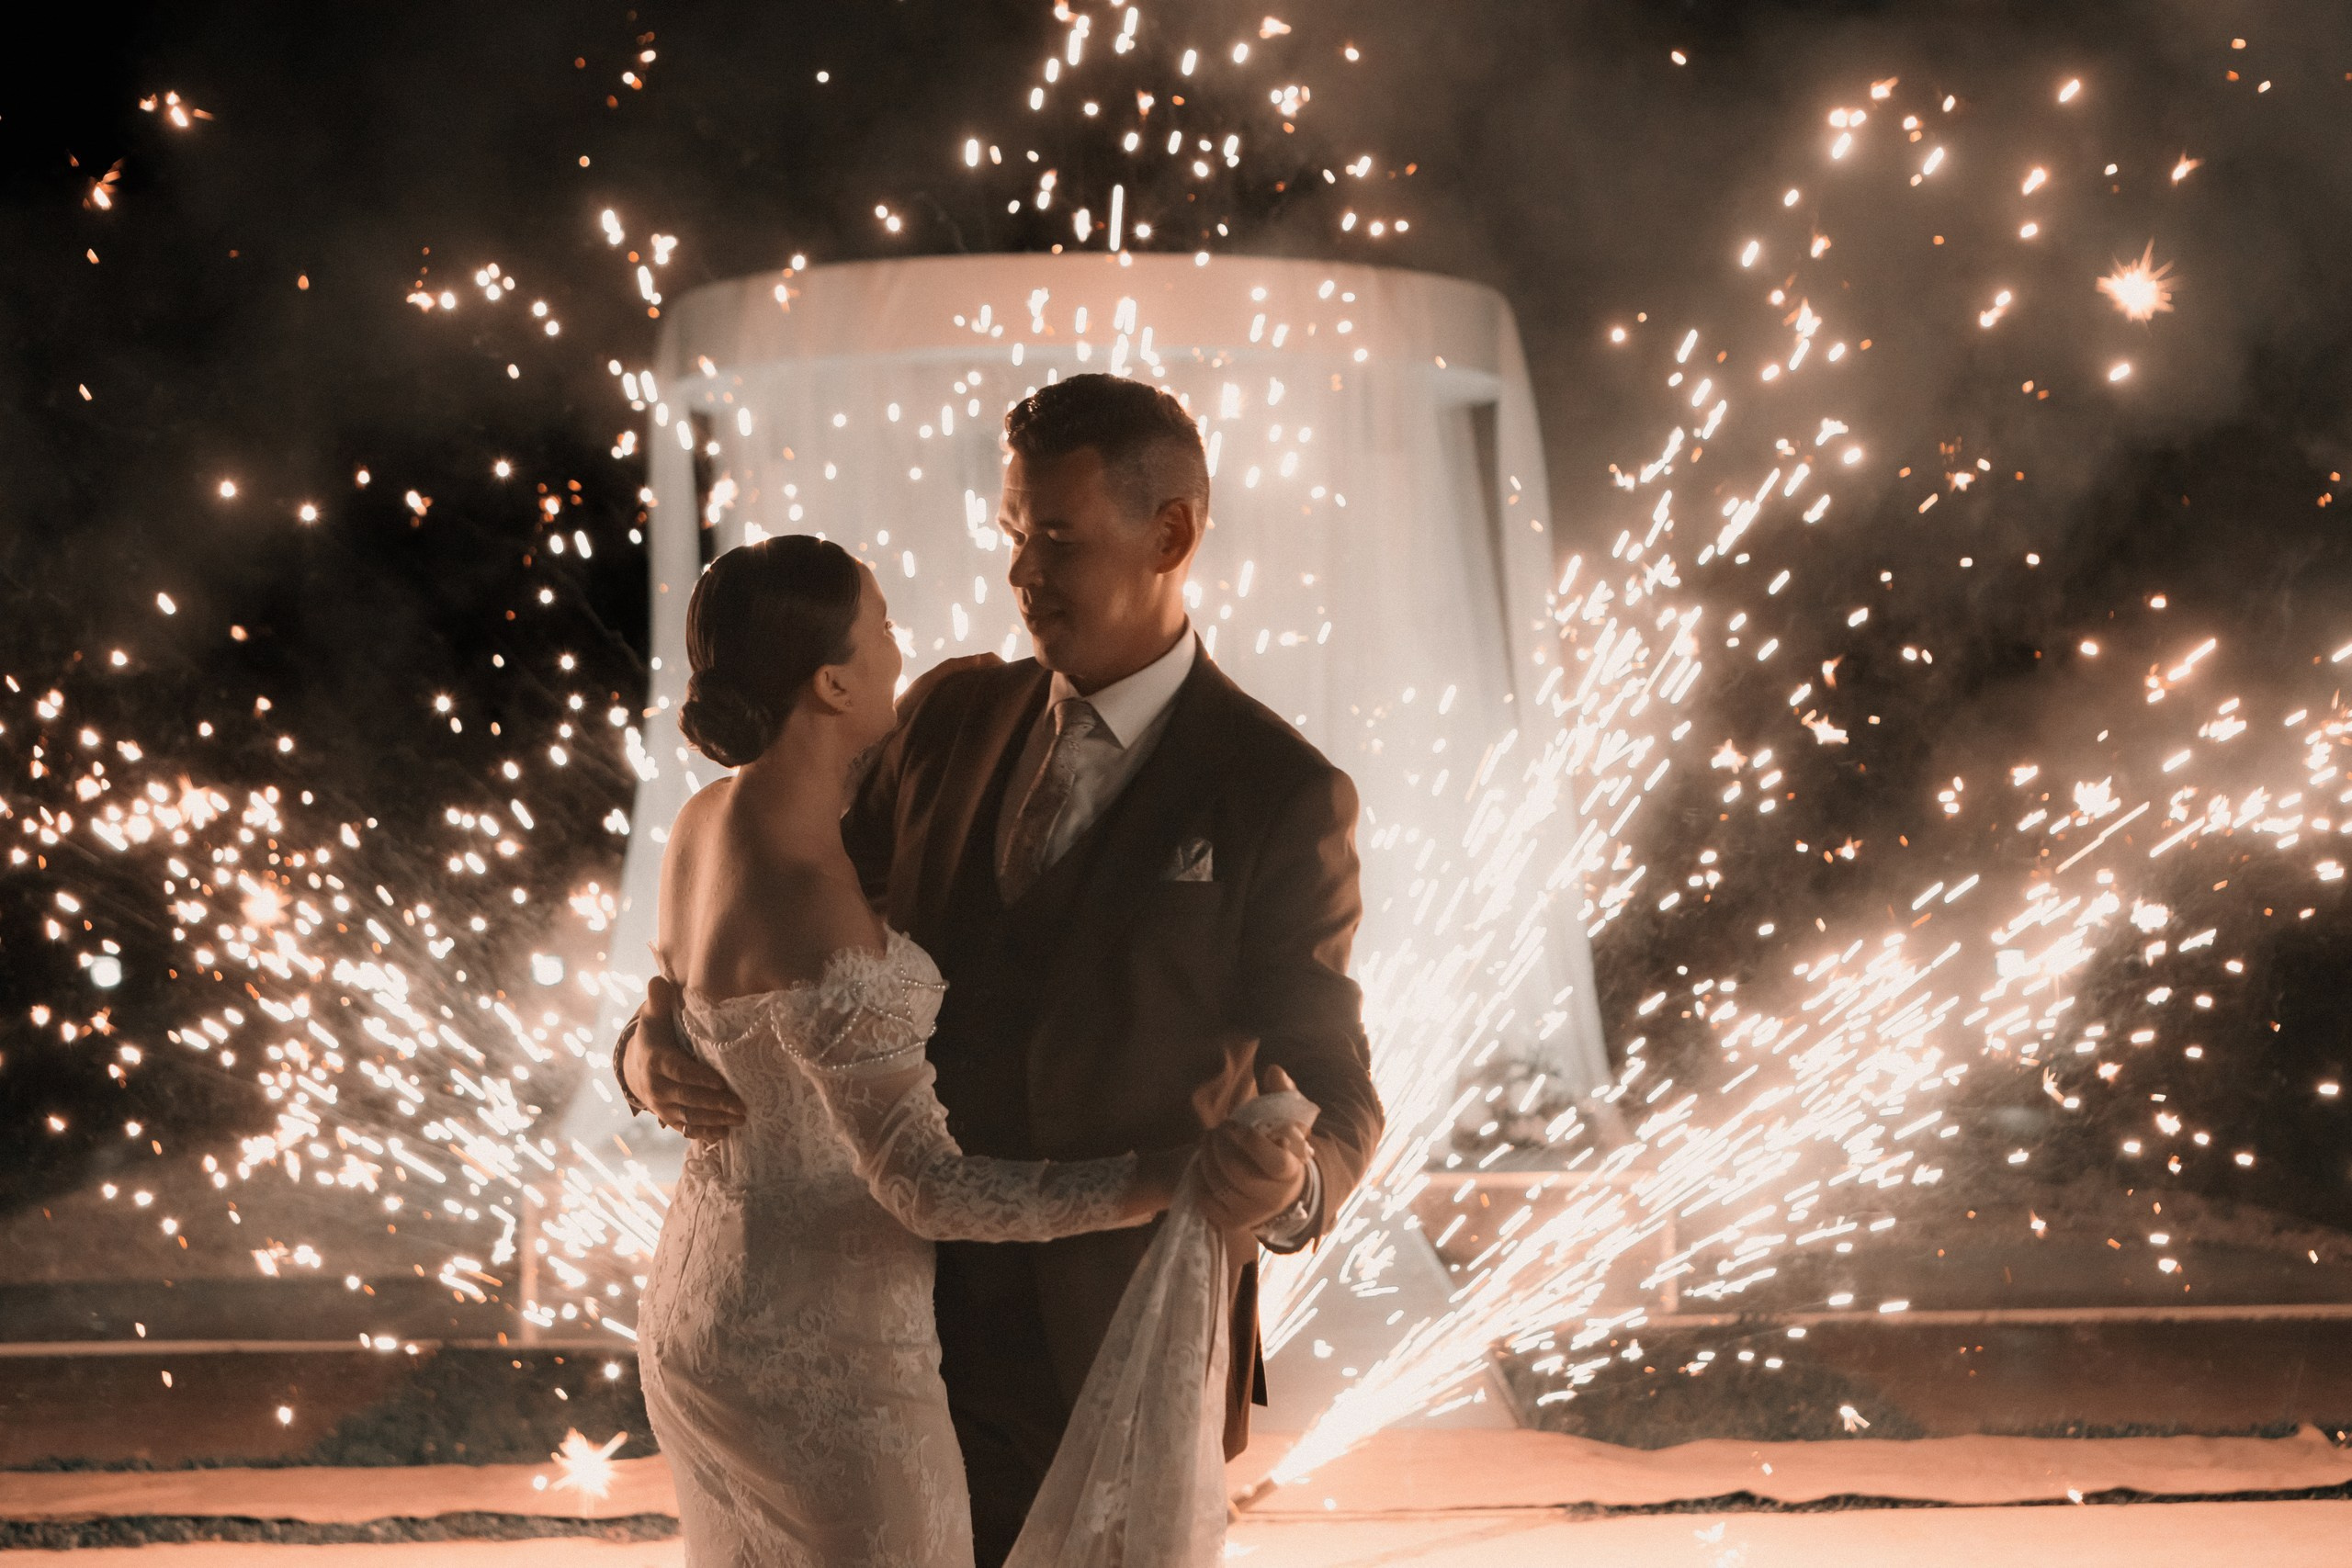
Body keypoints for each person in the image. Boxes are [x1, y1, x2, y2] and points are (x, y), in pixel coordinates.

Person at [623, 373, 1385, 1565]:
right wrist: (655, 1037)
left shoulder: (1279, 792)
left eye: (1061, 538)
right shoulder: (946, 715)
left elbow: (1333, 1077)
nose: (1024, 573)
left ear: (1172, 535)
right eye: (1014, 534)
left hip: (1117, 1344)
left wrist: (1289, 1187)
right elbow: (784, 930)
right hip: (901, 1337)